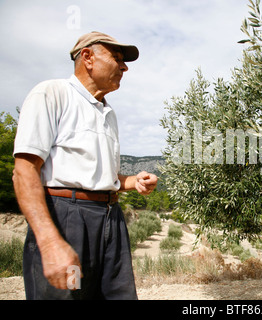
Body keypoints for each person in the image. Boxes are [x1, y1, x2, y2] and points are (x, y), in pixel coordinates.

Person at [12, 31, 157, 300]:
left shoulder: (108, 113)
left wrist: (132, 181)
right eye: (116, 58)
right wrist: (50, 241)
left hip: (111, 221)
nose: (124, 67)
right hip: (68, 220)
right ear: (88, 57)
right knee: (69, 295)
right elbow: (24, 171)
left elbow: (106, 177)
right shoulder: (51, 93)